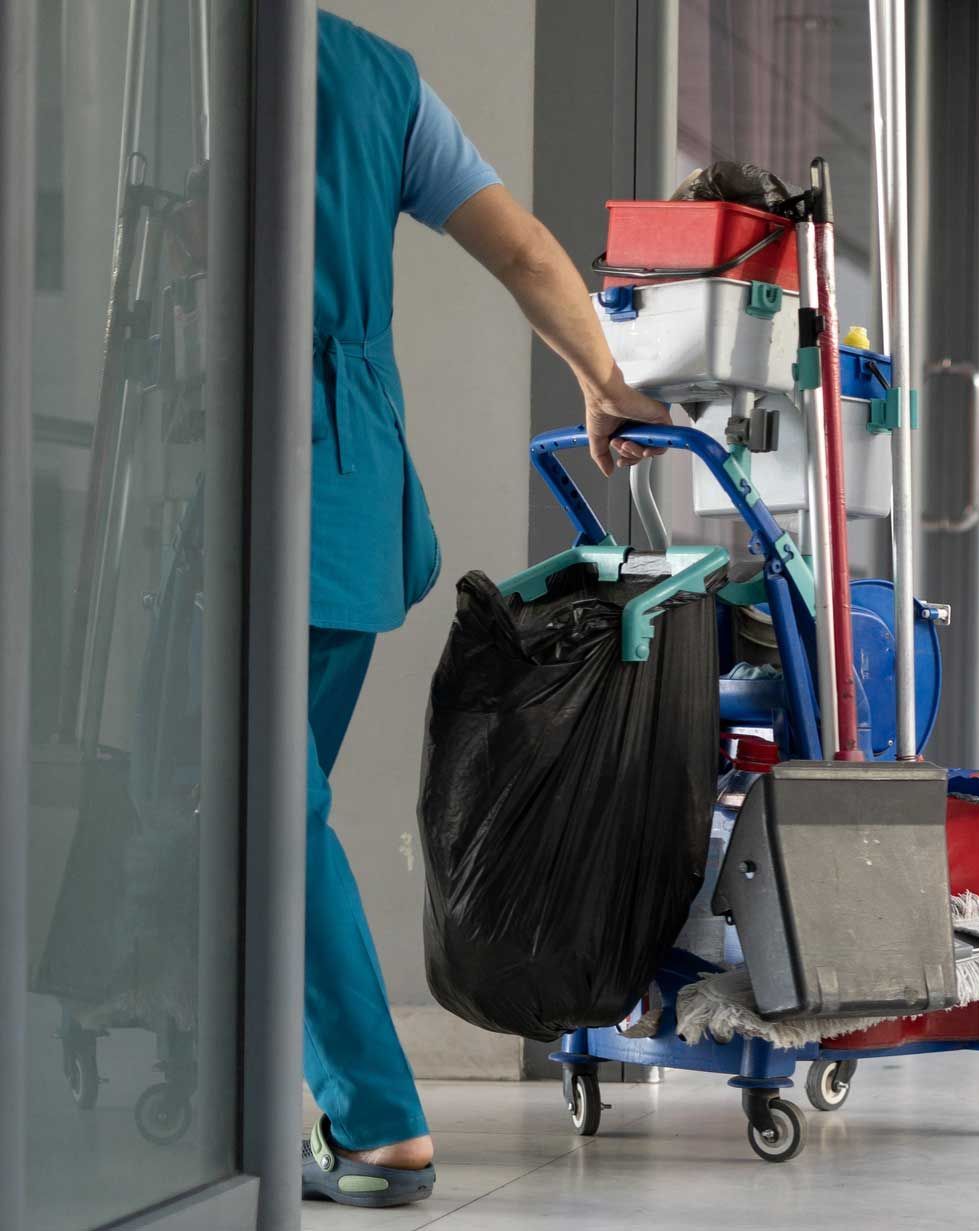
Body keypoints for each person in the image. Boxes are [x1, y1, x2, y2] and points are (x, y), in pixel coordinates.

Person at [302, 11, 661, 1208]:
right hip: (343, 486)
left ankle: (374, 1117)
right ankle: (297, 1092)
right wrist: (602, 381)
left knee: (252, 804)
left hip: (241, 487)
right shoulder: (381, 81)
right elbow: (521, 251)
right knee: (253, 799)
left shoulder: (181, 55)